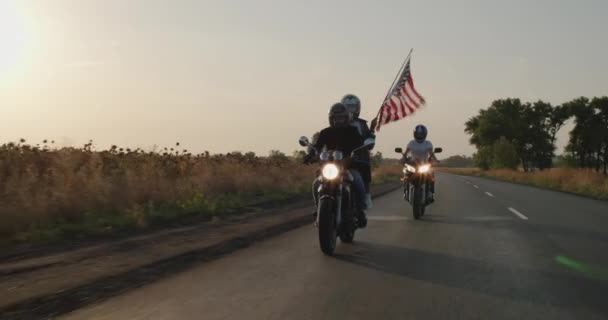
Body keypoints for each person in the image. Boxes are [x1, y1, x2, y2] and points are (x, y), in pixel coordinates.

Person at [304, 102, 368, 228]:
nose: (338, 120)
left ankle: (360, 211)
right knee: (316, 184)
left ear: (346, 118)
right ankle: (320, 209)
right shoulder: (325, 132)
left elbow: (361, 146)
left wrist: (360, 153)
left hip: (348, 166)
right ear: (331, 119)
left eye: (341, 117)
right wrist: (310, 155)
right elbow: (317, 147)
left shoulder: (353, 131)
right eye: (335, 118)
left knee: (358, 181)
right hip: (330, 166)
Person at [341, 94, 375, 209]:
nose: (350, 110)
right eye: (347, 107)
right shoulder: (337, 121)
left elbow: (369, 145)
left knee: (365, 168)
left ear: (358, 108)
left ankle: (366, 195)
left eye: (353, 107)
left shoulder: (362, 124)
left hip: (358, 156)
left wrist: (372, 131)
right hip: (340, 157)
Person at [403, 124, 438, 201]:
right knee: (406, 173)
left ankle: (431, 193)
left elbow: (431, 153)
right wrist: (402, 158)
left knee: (431, 175)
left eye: (421, 134)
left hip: (424, 164)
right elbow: (406, 153)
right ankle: (406, 190)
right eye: (418, 134)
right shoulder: (411, 143)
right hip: (413, 164)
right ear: (414, 134)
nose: (419, 135)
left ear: (425, 134)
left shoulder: (427, 143)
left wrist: (435, 160)